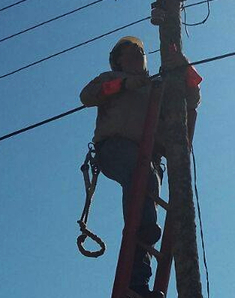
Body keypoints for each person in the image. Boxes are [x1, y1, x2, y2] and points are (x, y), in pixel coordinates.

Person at [80, 36, 201, 297]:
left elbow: (190, 100)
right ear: (118, 61)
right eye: (130, 52)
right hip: (115, 148)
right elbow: (88, 95)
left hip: (149, 158)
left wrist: (184, 68)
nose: (138, 55)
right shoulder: (110, 78)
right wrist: (123, 84)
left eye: (141, 52)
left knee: (144, 207)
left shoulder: (157, 87)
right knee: (141, 193)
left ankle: (137, 285)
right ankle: (144, 230)